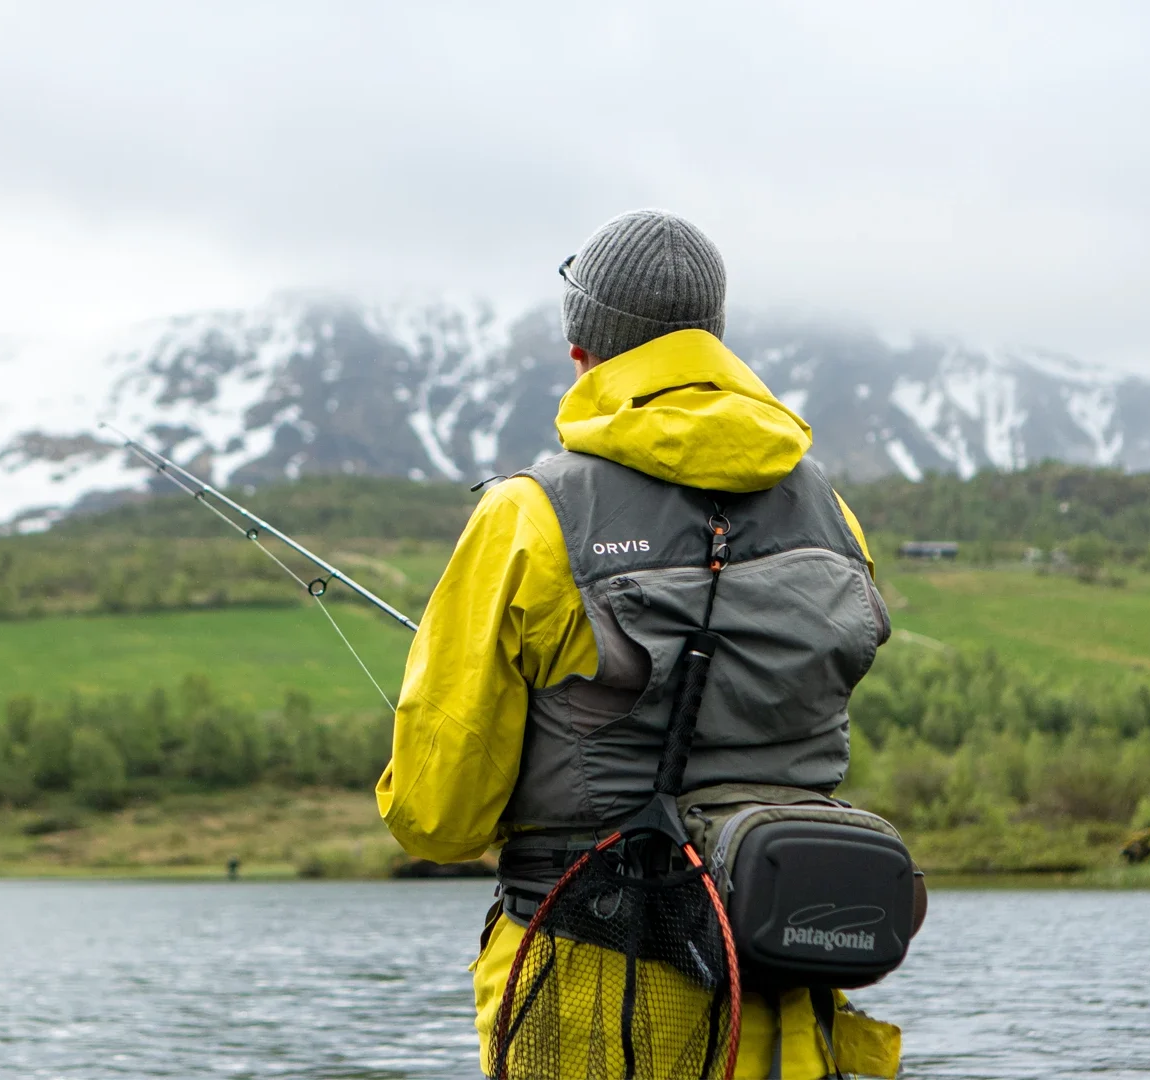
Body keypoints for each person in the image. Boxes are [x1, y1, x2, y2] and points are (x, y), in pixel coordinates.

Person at [377, 210, 901, 1078]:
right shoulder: (831, 513)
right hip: (785, 1000)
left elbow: (438, 819)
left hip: (592, 1004)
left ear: (584, 352)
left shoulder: (529, 516)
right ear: (714, 341)